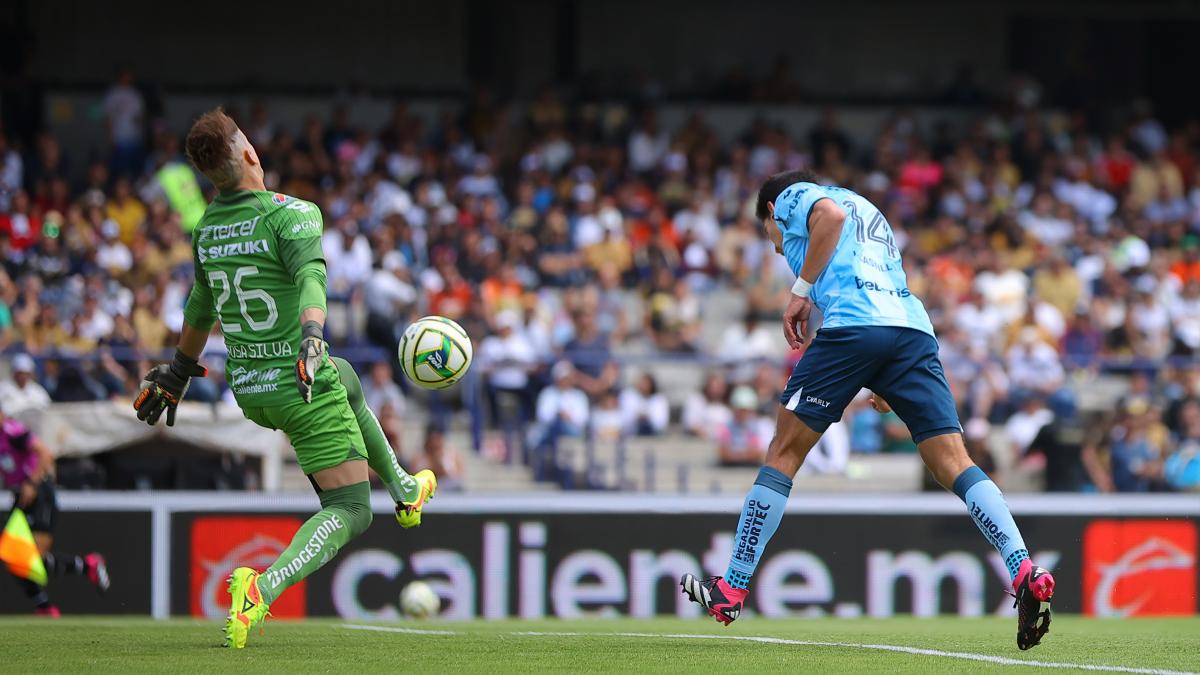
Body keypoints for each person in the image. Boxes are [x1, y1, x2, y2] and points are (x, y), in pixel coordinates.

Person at [680, 169, 1055, 651]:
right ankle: (1022, 565)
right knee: (954, 463)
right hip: (910, 331)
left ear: (772, 213)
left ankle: (730, 587)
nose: (775, 245)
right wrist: (881, 374)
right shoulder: (869, 209)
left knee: (782, 454)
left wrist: (797, 293)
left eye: (769, 232)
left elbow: (828, 218)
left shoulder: (799, 197)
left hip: (854, 325)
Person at [131, 109, 436, 649]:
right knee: (350, 509)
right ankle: (261, 588)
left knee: (346, 375)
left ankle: (406, 489)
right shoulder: (291, 214)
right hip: (300, 378)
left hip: (250, 388)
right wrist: (312, 335)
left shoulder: (207, 230)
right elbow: (311, 278)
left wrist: (178, 372)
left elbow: (200, 309)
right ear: (250, 153)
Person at [1, 407, 109, 615]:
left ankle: (48, 604)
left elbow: (45, 454)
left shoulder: (12, 432)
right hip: (21, 496)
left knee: (32, 556)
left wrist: (32, 484)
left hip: (38, 492)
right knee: (13, 556)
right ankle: (80, 572)